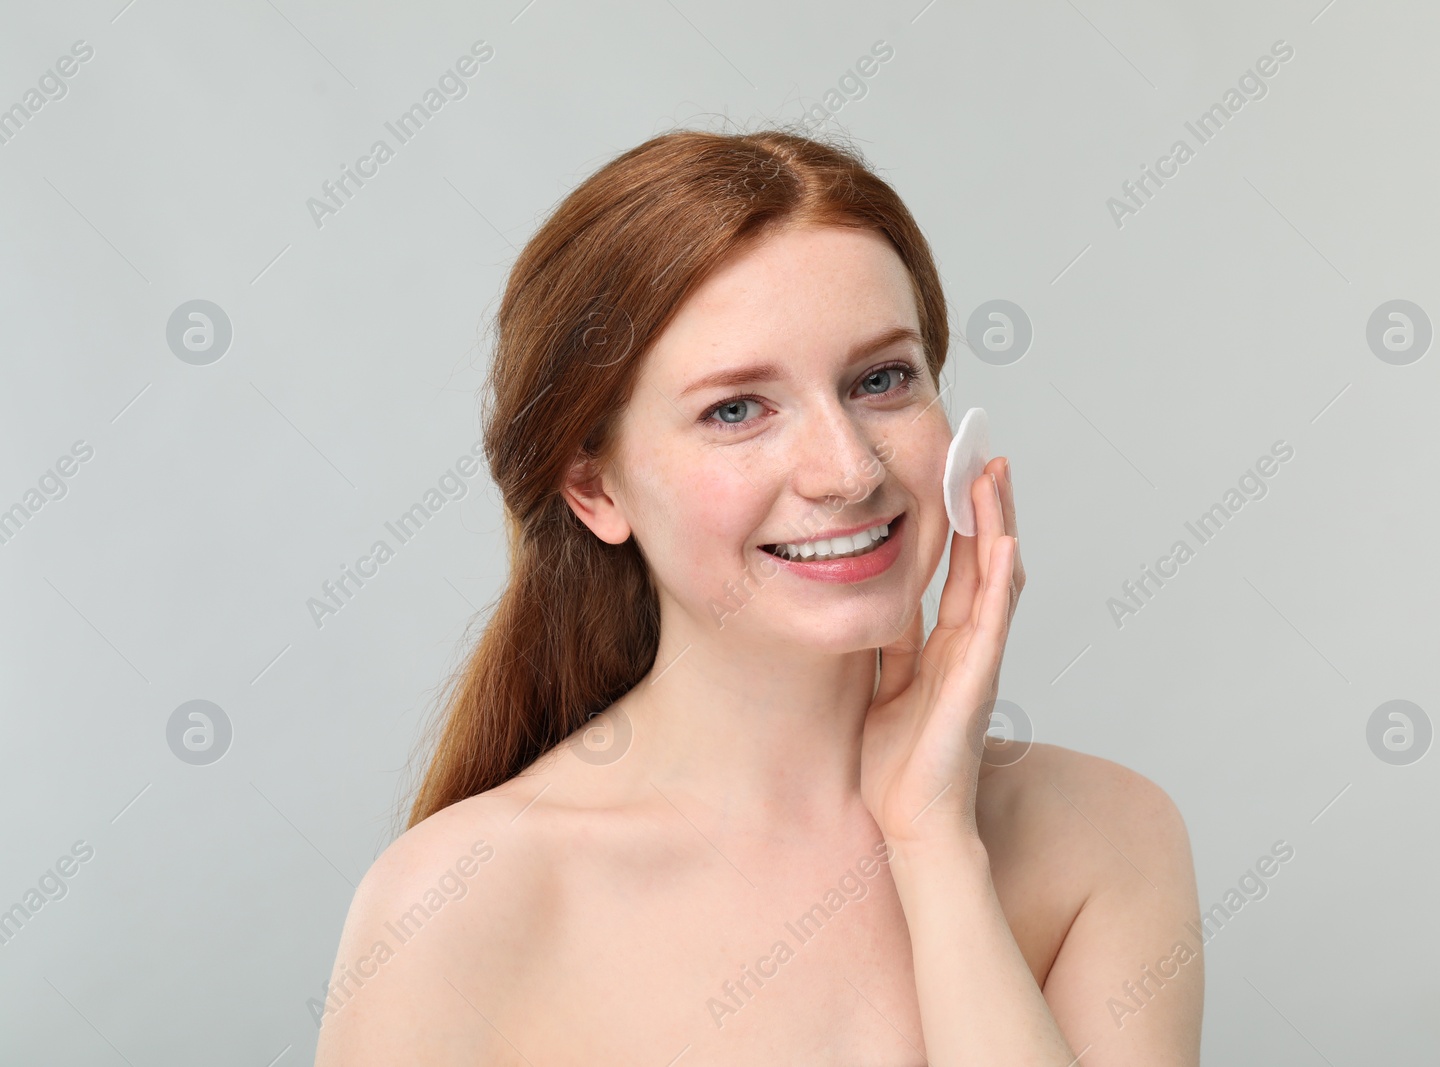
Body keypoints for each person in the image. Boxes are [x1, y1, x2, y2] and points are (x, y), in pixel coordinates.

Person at [312, 126, 1202, 1065]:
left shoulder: (1111, 837)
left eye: (883, 379)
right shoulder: (457, 906)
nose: (849, 470)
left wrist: (935, 845)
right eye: (736, 408)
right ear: (595, 489)